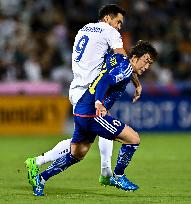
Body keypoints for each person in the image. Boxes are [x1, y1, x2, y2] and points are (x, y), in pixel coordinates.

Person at [24, 4, 143, 187]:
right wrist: (136, 82)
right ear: (107, 18)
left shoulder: (83, 30)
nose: (119, 26)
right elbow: (122, 60)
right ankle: (107, 173)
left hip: (76, 87)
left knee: (80, 147)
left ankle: (103, 172)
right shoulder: (109, 31)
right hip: (90, 90)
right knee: (104, 128)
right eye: (118, 21)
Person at [31, 40, 157, 196]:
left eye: (149, 64)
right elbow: (105, 81)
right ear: (135, 57)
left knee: (77, 153)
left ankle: (41, 178)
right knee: (133, 139)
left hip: (81, 109)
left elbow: (113, 65)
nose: (146, 67)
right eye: (146, 61)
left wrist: (137, 84)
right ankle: (118, 176)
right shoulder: (125, 69)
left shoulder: (120, 59)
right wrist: (98, 101)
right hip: (93, 112)